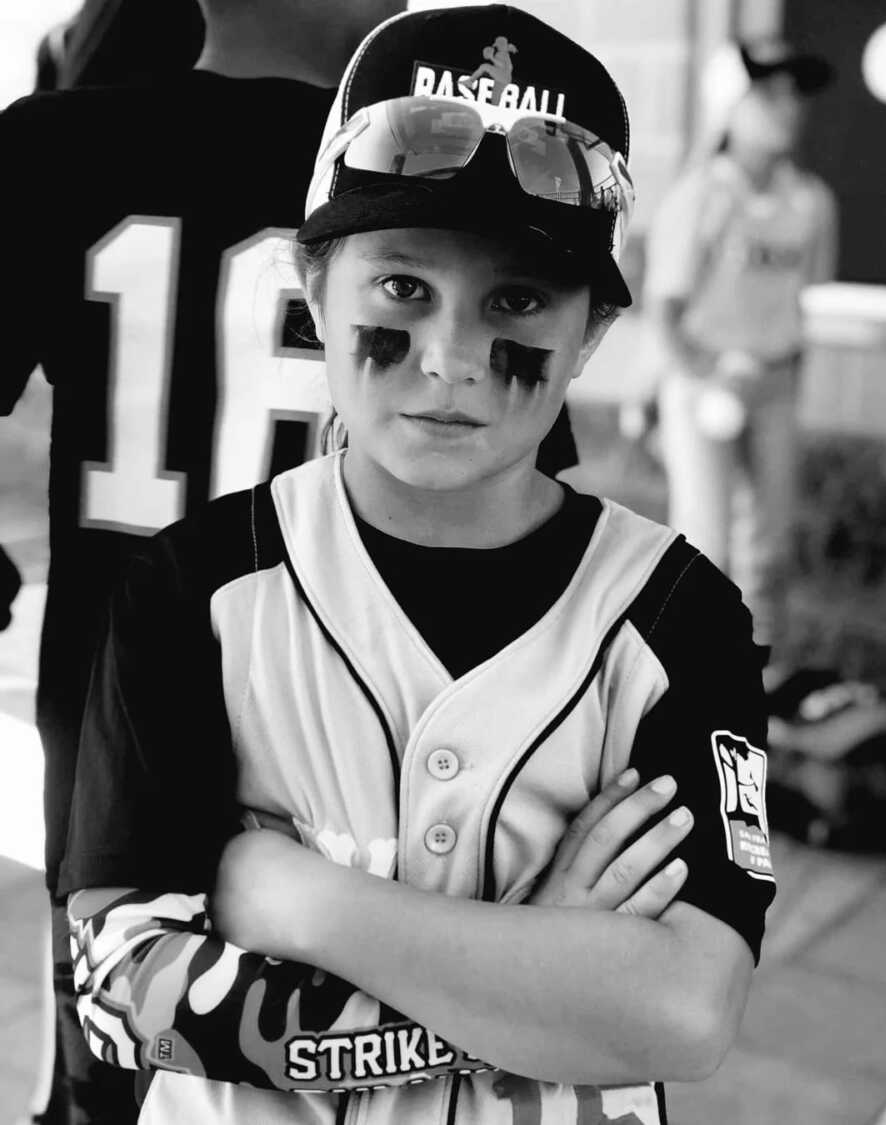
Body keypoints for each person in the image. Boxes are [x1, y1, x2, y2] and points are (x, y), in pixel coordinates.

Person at [59, 6, 776, 1123]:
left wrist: (296, 900)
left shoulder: (679, 618)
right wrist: (544, 976)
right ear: (316, 283)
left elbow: (685, 1013)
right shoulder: (191, 590)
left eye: (519, 299)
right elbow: (117, 990)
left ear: (589, 332)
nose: (449, 361)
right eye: (402, 286)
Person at [2, 3, 430, 1121]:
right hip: (347, 768)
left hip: (109, 753)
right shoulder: (419, 173)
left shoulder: (54, 143)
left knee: (105, 1087)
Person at [644, 39, 838, 661]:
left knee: (772, 548)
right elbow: (664, 312)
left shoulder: (811, 202)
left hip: (775, 387)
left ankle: (759, 679)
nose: (787, 108)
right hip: (706, 385)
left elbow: (804, 304)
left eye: (794, 95)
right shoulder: (701, 194)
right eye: (768, 94)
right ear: (729, 102)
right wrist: (704, 375)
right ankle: (685, 677)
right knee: (705, 543)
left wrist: (784, 378)